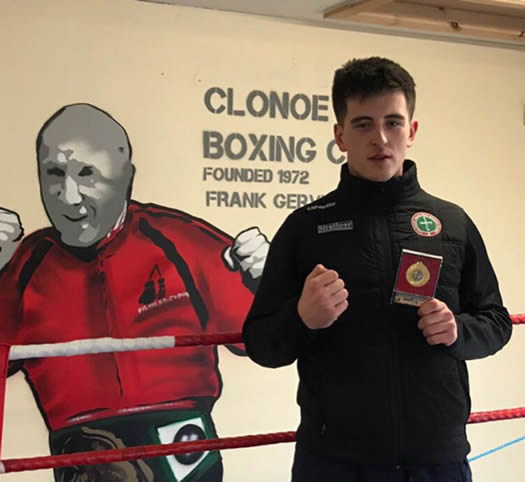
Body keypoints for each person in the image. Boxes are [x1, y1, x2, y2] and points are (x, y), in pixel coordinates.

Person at [242, 57, 512, 482]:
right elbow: (260, 343)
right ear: (340, 135)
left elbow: (497, 323)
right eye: (363, 124)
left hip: (436, 456)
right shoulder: (305, 227)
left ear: (413, 131)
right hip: (335, 461)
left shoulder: (452, 223)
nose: (381, 138)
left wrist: (458, 330)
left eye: (394, 122)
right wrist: (302, 319)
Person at [0, 103, 269, 482]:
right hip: (83, 451)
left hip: (180, 446)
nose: (68, 196)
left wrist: (266, 283)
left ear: (126, 177)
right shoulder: (25, 265)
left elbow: (258, 341)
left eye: (87, 174)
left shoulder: (179, 241)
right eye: (54, 174)